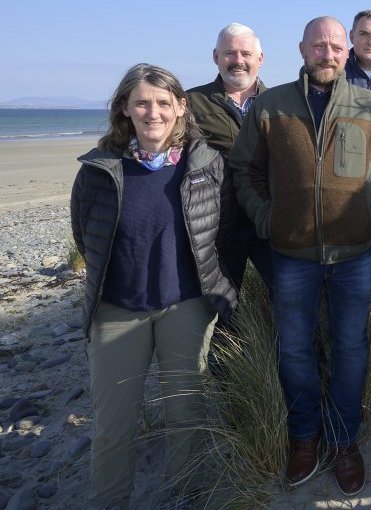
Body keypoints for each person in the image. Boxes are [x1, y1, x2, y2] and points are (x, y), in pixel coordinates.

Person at [230, 16, 371, 496]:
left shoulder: (370, 105)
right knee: (295, 348)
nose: (327, 54)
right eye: (318, 46)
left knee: (351, 348)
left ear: (346, 51)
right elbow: (244, 169)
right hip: (291, 253)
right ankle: (304, 436)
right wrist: (266, 218)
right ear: (302, 49)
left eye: (335, 46)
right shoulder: (271, 106)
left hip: (354, 253)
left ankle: (344, 438)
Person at [72, 64, 238, 508]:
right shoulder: (99, 169)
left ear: (181, 107)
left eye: (164, 103)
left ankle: (184, 494)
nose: (153, 112)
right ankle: (110, 501)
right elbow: (85, 235)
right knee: (113, 424)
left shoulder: (205, 164)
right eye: (142, 102)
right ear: (124, 108)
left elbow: (221, 232)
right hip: (116, 310)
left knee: (186, 414)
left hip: (185, 307)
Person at [187, 22, 273, 290]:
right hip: (218, 224)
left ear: (260, 59)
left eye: (246, 54)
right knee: (222, 301)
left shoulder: (281, 102)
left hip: (267, 218)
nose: (238, 61)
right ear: (216, 57)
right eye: (229, 53)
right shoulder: (189, 103)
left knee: (286, 295)